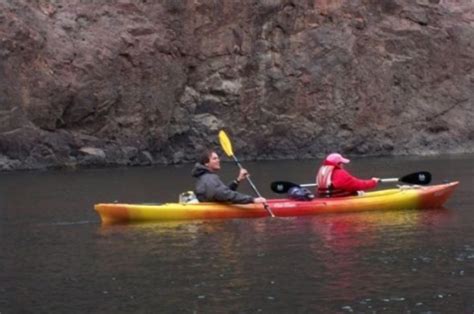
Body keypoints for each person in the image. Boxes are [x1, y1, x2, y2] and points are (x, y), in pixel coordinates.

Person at [191, 149, 267, 204]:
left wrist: (238, 180)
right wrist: (252, 200)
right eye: (214, 159)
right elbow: (224, 195)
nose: (218, 160)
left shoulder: (205, 176)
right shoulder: (209, 178)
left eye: (218, 158)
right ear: (206, 163)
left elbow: (222, 192)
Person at [315, 153, 380, 197]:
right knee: (359, 191)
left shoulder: (322, 171)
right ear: (338, 163)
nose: (343, 165)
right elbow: (357, 184)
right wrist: (373, 182)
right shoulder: (339, 173)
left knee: (358, 192)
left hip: (325, 198)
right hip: (337, 200)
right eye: (342, 163)